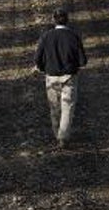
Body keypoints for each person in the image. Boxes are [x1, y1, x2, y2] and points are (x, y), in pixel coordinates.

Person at [34, 9, 87, 148]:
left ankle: (56, 131)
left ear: (54, 20)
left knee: (54, 107)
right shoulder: (73, 36)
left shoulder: (46, 36)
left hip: (51, 76)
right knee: (67, 107)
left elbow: (37, 57)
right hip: (69, 77)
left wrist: (42, 67)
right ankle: (62, 137)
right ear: (67, 20)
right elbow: (82, 61)